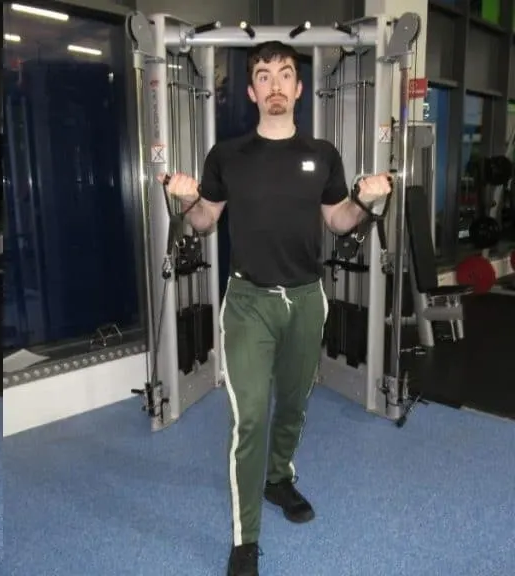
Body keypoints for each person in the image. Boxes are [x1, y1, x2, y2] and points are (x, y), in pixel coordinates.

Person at [158, 41, 391, 576]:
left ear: (299, 87)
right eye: (264, 76)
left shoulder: (324, 155)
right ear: (251, 90)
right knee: (250, 416)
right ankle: (245, 539)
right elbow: (205, 222)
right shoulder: (228, 156)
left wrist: (365, 200)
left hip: (307, 301)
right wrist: (188, 198)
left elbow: (337, 221)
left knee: (293, 404)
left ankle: (279, 478)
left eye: (286, 74)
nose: (277, 85)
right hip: (248, 303)